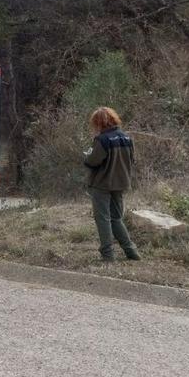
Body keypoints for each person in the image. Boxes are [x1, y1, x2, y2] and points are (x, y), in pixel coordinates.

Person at [82, 106, 140, 262]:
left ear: (99, 123)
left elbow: (93, 161)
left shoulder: (102, 140)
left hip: (102, 185)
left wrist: (87, 155)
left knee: (103, 219)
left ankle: (108, 255)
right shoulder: (127, 138)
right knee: (116, 218)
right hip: (120, 184)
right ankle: (131, 252)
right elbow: (132, 161)